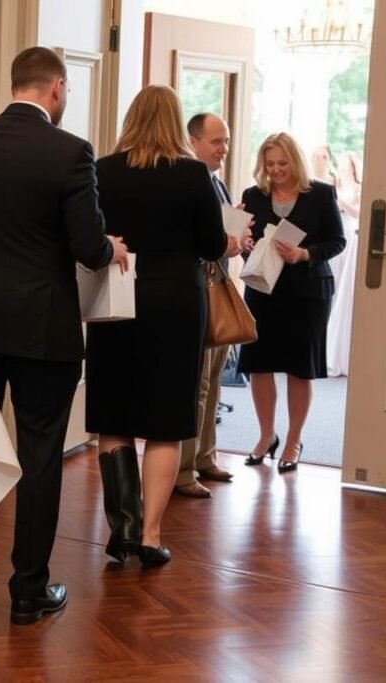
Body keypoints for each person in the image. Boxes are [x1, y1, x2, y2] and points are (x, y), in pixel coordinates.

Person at [0, 46, 128, 625]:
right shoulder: (71, 152)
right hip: (43, 325)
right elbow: (86, 245)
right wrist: (111, 249)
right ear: (57, 88)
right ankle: (28, 588)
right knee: (40, 453)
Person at [86, 86, 233, 569]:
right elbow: (212, 244)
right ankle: (150, 535)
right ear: (175, 123)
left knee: (115, 417)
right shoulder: (193, 175)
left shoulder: (102, 170)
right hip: (175, 303)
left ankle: (122, 528)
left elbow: (91, 236)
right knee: (166, 424)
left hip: (119, 299)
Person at [238, 132, 346, 472]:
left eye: (282, 163)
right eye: (270, 164)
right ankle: (266, 435)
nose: (276, 170)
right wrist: (243, 244)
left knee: (301, 368)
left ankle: (293, 440)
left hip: (308, 292)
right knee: (259, 363)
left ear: (295, 161)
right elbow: (244, 241)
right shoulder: (252, 196)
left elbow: (337, 240)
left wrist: (305, 253)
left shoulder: (321, 194)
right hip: (263, 290)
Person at [174, 112, 241, 499]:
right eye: (217, 142)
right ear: (193, 141)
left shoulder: (218, 183)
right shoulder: (186, 180)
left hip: (218, 289)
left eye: (227, 141)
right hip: (196, 292)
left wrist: (236, 240)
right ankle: (182, 468)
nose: (224, 149)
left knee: (214, 380)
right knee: (195, 383)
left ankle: (205, 456)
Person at [327, 150, 363, 376]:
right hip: (337, 234)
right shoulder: (334, 186)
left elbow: (359, 213)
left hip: (351, 234)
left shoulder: (358, 189)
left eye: (344, 164)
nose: (340, 167)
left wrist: (342, 202)